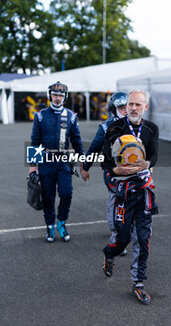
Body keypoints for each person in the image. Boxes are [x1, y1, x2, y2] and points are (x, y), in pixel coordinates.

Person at [102, 90, 159, 305]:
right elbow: (105, 162)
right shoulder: (114, 128)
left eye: (138, 104)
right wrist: (115, 172)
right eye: (130, 104)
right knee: (122, 239)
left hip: (144, 191)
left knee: (143, 240)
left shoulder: (152, 129)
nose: (133, 108)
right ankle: (109, 253)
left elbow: (154, 155)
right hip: (122, 193)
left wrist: (147, 164)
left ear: (146, 107)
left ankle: (138, 283)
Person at [29, 81, 84, 243]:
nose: (57, 98)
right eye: (55, 94)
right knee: (48, 196)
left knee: (66, 193)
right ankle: (50, 227)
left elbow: (77, 140)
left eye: (60, 95)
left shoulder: (71, 116)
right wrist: (33, 166)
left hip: (64, 162)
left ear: (65, 97)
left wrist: (82, 161)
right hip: (46, 162)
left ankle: (61, 223)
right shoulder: (40, 115)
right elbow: (35, 141)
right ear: (49, 95)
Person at [80, 91, 129, 256]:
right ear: (114, 108)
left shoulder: (135, 124)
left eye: (127, 106)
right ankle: (116, 236)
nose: (125, 110)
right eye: (121, 107)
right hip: (111, 172)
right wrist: (85, 167)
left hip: (132, 171)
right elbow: (94, 148)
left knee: (132, 202)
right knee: (116, 200)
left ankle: (127, 232)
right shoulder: (105, 126)